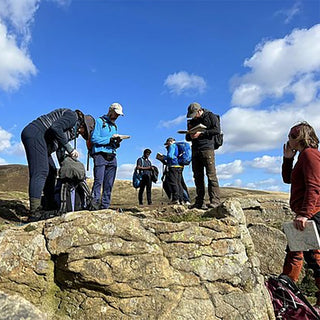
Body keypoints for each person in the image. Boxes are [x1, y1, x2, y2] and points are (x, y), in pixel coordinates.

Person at [21, 108, 93, 215]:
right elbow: (56, 127)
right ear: (83, 125)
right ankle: (34, 212)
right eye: (85, 132)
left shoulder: (71, 132)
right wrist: (70, 149)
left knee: (52, 171)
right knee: (41, 171)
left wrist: (66, 165)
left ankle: (49, 205)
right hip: (35, 134)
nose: (82, 135)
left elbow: (60, 148)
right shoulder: (72, 117)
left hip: (42, 142)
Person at [281, 121, 320, 309]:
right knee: (296, 252)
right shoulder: (303, 156)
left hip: (314, 214)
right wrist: (288, 159)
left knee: (314, 258)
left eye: (290, 136)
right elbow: (288, 179)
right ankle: (286, 293)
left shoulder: (310, 155)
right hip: (309, 213)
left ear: (299, 136)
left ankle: (286, 293)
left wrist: (305, 214)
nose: (288, 139)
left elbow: (315, 186)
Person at [185, 102, 221, 210]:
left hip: (207, 149)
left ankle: (215, 201)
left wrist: (201, 133)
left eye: (194, 114)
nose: (193, 117)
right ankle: (200, 202)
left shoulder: (211, 116)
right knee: (197, 176)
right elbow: (188, 138)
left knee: (211, 175)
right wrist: (190, 134)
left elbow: (216, 130)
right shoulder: (192, 121)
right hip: (195, 149)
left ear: (199, 111)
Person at [90, 102, 124, 209]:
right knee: (98, 181)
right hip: (100, 155)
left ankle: (105, 206)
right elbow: (94, 138)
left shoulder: (114, 126)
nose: (117, 116)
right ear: (110, 111)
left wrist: (117, 142)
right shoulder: (99, 122)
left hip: (112, 156)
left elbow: (112, 144)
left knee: (109, 183)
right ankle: (94, 204)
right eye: (116, 114)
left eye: (119, 115)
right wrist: (109, 139)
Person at [158, 138, 184, 204]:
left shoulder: (172, 146)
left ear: (170, 141)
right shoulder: (178, 146)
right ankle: (181, 199)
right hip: (180, 166)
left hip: (173, 166)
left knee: (173, 182)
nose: (167, 145)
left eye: (167, 143)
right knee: (179, 183)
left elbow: (170, 156)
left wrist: (163, 157)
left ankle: (175, 199)